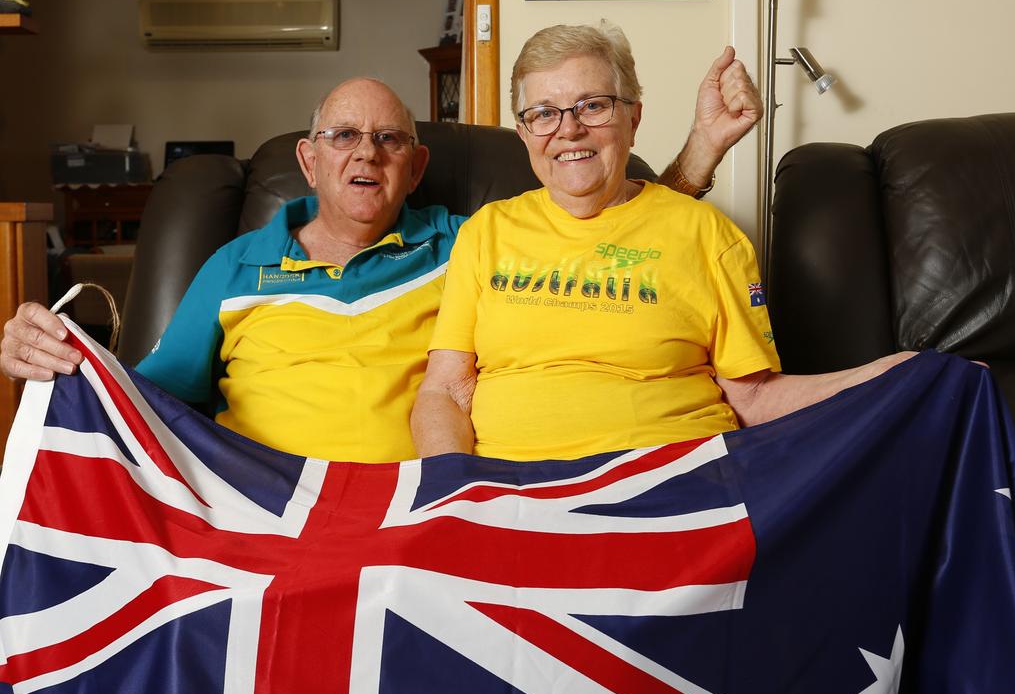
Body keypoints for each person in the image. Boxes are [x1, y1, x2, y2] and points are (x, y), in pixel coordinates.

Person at [1, 50, 763, 462]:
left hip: (401, 505)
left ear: (417, 166)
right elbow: (144, 398)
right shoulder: (235, 264)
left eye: (391, 139)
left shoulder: (471, 241)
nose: (367, 153)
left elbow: (603, 227)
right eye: (344, 136)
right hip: (259, 498)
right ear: (307, 160)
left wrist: (696, 157)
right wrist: (49, 354)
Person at [411, 22, 913, 461]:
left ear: (634, 117)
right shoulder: (487, 232)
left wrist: (901, 377)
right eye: (543, 112)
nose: (568, 129)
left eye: (593, 106)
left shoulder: (705, 233)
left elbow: (754, 399)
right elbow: (448, 390)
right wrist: (454, 489)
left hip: (673, 486)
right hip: (512, 489)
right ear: (523, 132)